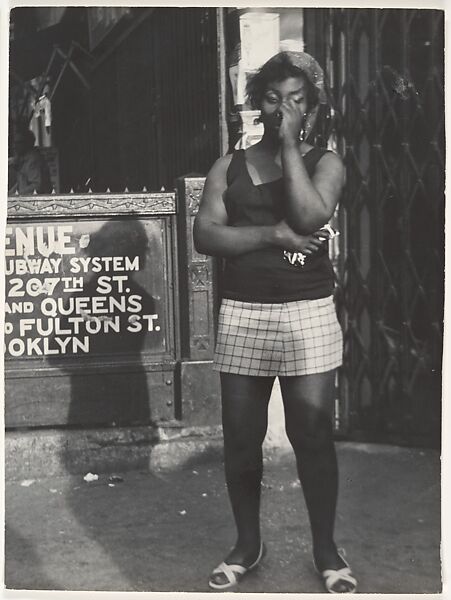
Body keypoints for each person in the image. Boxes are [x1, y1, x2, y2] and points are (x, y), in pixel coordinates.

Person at [193, 51, 357, 594]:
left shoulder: (325, 162)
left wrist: (289, 146)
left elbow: (311, 216)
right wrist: (271, 236)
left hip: (308, 311)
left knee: (311, 435)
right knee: (242, 438)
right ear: (256, 103)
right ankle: (247, 543)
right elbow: (206, 236)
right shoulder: (230, 166)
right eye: (272, 97)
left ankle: (326, 549)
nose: (283, 107)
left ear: (310, 107)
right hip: (243, 311)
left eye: (295, 99)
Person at [8, 124, 52, 195]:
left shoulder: (33, 160)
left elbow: (37, 186)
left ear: (27, 143)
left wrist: (19, 195)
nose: (14, 146)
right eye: (14, 143)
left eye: (18, 143)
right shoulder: (23, 158)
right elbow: (21, 182)